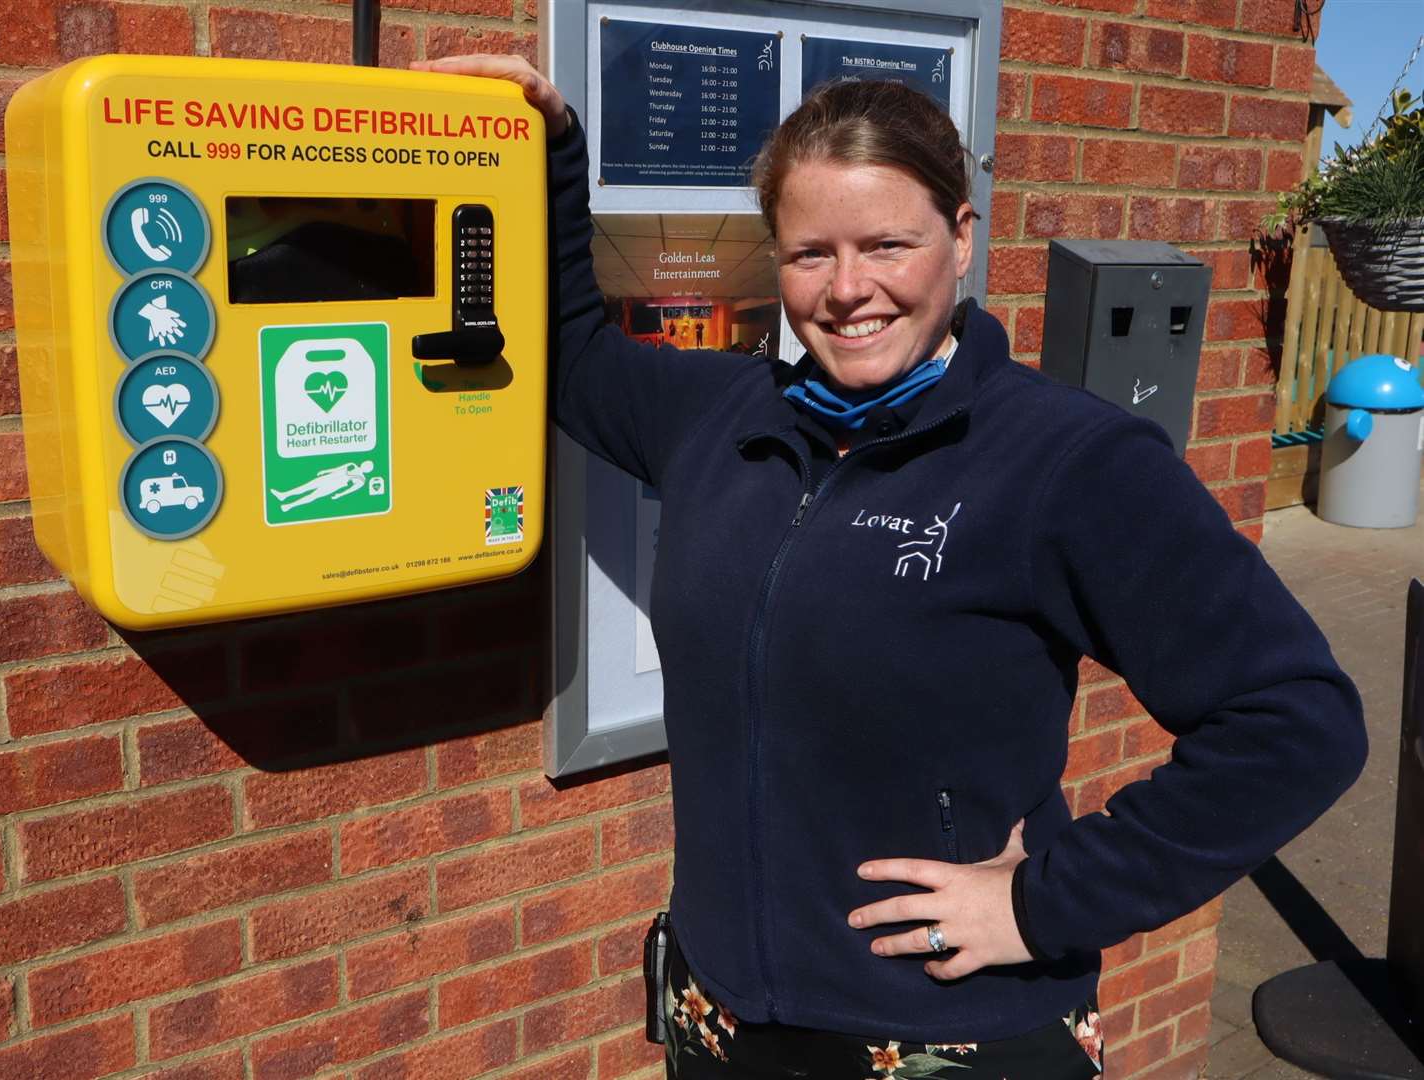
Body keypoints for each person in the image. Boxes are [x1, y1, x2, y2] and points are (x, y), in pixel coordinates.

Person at [412, 55, 1367, 1078]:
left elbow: (1295, 721)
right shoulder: (718, 420)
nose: (847, 289)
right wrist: (547, 145)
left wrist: (1043, 902)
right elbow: (571, 353)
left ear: (960, 239)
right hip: (723, 1016)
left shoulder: (1067, 462)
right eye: (809, 253)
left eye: (887, 244)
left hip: (942, 1035)